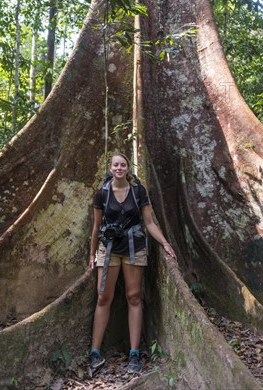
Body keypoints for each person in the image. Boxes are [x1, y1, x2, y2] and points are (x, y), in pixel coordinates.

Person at [89, 152, 176, 374]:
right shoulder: (102, 194)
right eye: (115, 165)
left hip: (134, 248)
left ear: (128, 168)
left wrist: (165, 243)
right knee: (103, 297)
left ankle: (134, 353)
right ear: (110, 169)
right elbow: (96, 227)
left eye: (123, 165)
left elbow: (149, 222)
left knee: (134, 297)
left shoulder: (138, 191)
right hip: (108, 249)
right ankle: (95, 352)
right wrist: (92, 255)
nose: (119, 168)